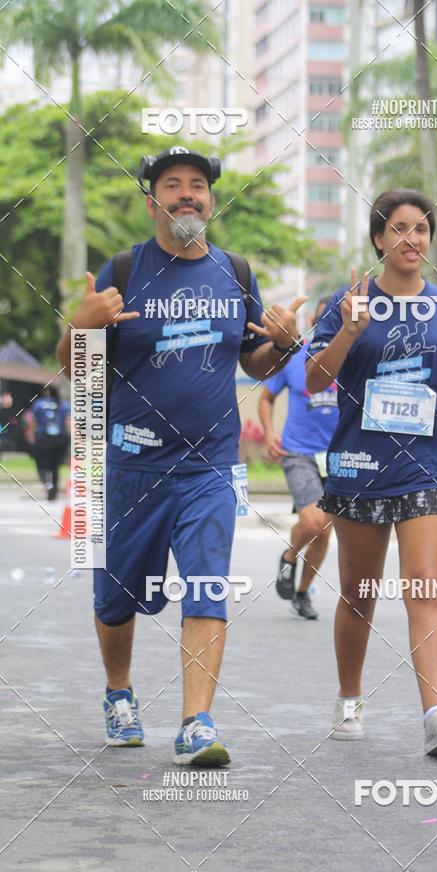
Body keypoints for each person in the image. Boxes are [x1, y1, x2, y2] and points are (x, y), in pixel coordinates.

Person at [57, 146, 306, 766]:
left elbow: (255, 362)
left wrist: (284, 344)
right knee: (115, 597)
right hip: (129, 465)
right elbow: (77, 371)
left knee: (207, 587)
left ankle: (197, 722)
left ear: (211, 201)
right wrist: (81, 326)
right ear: (153, 203)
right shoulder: (123, 270)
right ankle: (119, 694)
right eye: (173, 185)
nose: (187, 194)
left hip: (210, 467)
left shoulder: (235, 272)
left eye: (198, 184)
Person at [306, 188, 437, 755]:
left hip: (426, 467)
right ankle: (348, 699)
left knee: (425, 587)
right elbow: (314, 380)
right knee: (359, 593)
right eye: (400, 228)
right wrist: (349, 330)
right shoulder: (348, 301)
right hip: (360, 464)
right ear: (378, 238)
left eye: (422, 229)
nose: (413, 239)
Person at [258, 298, 338, 620]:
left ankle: (303, 593)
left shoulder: (353, 357)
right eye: (323, 319)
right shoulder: (294, 357)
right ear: (314, 323)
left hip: (338, 455)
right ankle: (290, 555)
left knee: (324, 530)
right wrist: (268, 433)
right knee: (314, 522)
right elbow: (266, 398)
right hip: (298, 451)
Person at [25, 385, 70, 500]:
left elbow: (34, 422)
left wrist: (30, 435)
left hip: (43, 439)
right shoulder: (64, 404)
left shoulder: (39, 404)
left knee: (41, 465)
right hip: (60, 439)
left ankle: (48, 485)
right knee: (55, 467)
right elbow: (69, 423)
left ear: (46, 391)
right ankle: (54, 490)